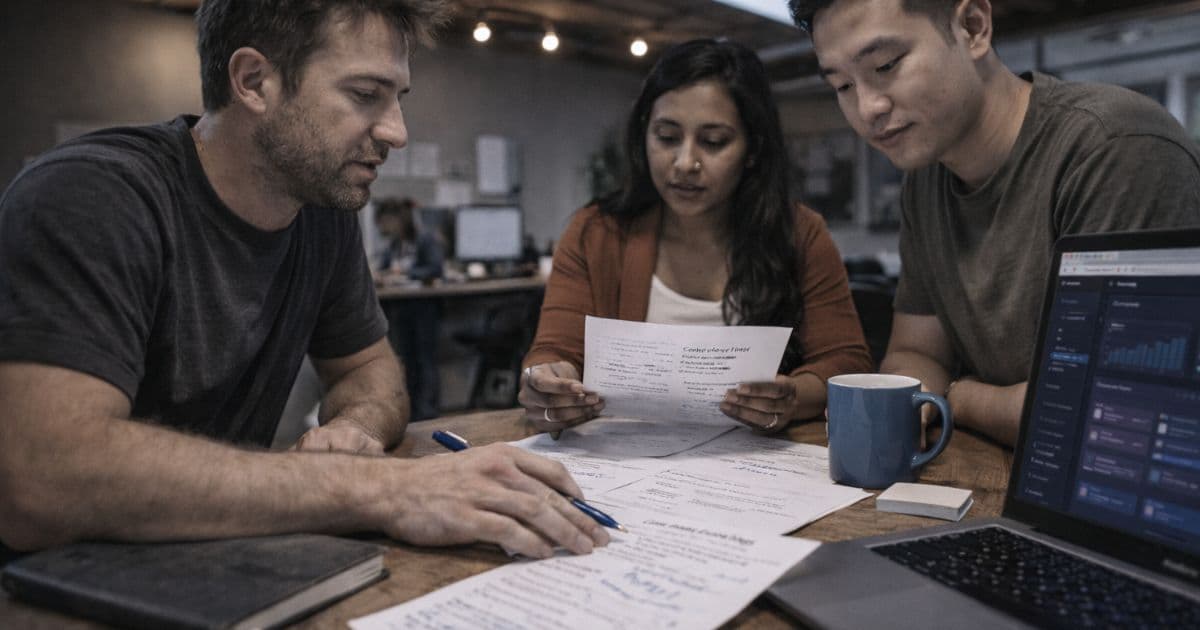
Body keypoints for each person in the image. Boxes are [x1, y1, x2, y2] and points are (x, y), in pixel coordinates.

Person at [0, 0, 609, 560]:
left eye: (398, 97)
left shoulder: (318, 212)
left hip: (206, 559)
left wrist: (354, 430)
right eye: (366, 94)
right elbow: (41, 479)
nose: (397, 131)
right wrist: (375, 488)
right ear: (254, 82)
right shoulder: (94, 197)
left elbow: (370, 371)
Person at [787, 0, 1200, 445]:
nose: (868, 108)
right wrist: (908, 404)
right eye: (843, 85)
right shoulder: (926, 179)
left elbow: (1107, 411)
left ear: (973, 26)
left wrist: (959, 397)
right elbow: (916, 351)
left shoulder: (1114, 150)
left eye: (886, 65)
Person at [518, 39, 873, 434]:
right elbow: (555, 351)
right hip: (624, 466)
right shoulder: (596, 233)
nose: (685, 163)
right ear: (643, 136)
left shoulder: (799, 234)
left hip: (755, 469)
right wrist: (548, 382)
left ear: (753, 149)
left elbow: (846, 363)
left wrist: (792, 397)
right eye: (667, 138)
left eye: (714, 141)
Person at [374, 197, 444, 420]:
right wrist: (381, 275)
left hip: (422, 306)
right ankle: (412, 412)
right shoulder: (395, 244)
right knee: (406, 360)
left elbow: (435, 269)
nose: (382, 228)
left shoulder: (424, 239)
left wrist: (405, 274)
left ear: (397, 219)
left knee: (425, 360)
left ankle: (428, 412)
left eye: (385, 222)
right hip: (401, 307)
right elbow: (383, 268)